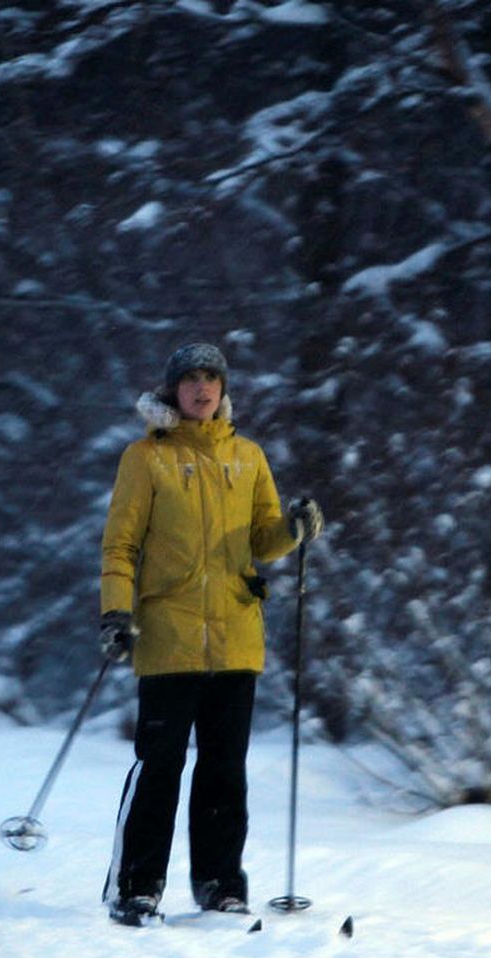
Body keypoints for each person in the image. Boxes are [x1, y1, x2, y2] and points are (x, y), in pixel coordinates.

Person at [98, 342, 324, 926]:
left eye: (212, 379)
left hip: (234, 636)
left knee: (225, 768)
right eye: (191, 379)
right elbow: (120, 546)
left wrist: (294, 527)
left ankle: (221, 885)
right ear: (173, 389)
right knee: (160, 766)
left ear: (224, 391)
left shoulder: (248, 458)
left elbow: (263, 541)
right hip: (167, 635)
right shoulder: (145, 459)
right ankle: (137, 885)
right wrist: (116, 613)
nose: (202, 388)